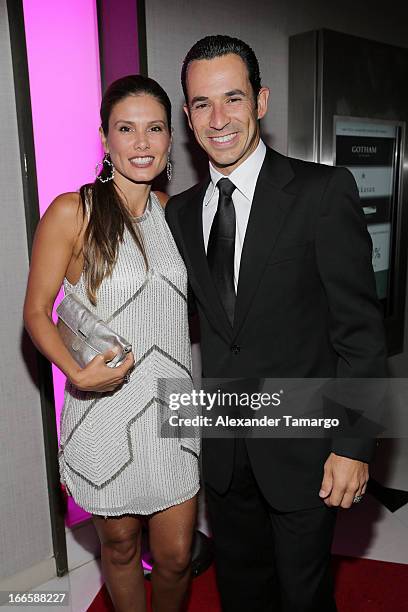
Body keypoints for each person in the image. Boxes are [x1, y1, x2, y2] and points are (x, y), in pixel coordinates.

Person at [165, 35, 387, 612]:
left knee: (304, 596)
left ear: (260, 101)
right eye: (202, 104)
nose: (219, 119)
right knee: (242, 592)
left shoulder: (320, 191)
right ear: (187, 116)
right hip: (225, 449)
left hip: (304, 448)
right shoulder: (182, 213)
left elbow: (360, 333)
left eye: (232, 98)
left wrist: (355, 445)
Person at [24, 75, 199, 612]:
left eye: (155, 129)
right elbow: (36, 313)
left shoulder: (181, 216)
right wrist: (75, 375)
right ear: (104, 137)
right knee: (119, 548)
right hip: (103, 404)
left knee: (175, 556)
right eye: (127, 129)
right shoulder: (71, 211)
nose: (141, 143)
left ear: (172, 139)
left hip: (173, 406)